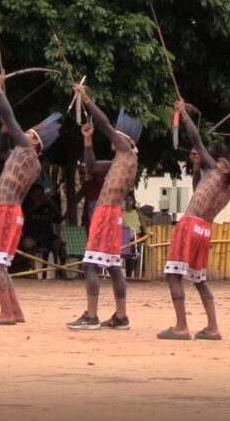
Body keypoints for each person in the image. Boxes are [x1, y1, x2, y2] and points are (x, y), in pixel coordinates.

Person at [0, 72, 61, 325]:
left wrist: (0, 90)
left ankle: (6, 313)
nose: (23, 133)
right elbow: (1, 149)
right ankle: (14, 311)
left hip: (7, 211)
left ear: (34, 142)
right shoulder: (23, 156)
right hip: (8, 211)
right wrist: (5, 130)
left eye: (28, 133)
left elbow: (11, 119)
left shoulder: (27, 152)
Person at [157, 99, 230, 341]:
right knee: (199, 279)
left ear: (224, 166)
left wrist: (184, 115)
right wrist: (195, 169)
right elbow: (199, 192)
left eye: (218, 161)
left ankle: (181, 326)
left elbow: (196, 141)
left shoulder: (217, 171)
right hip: (204, 230)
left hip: (190, 225)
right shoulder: (226, 190)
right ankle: (213, 326)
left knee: (173, 275)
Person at [67, 86, 141, 330]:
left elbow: (106, 125)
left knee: (90, 264)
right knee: (112, 265)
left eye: (117, 137)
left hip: (107, 213)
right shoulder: (120, 161)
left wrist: (87, 100)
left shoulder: (127, 154)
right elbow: (91, 167)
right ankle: (121, 317)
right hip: (110, 213)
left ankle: (91, 316)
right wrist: (88, 140)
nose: (112, 139)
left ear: (127, 141)